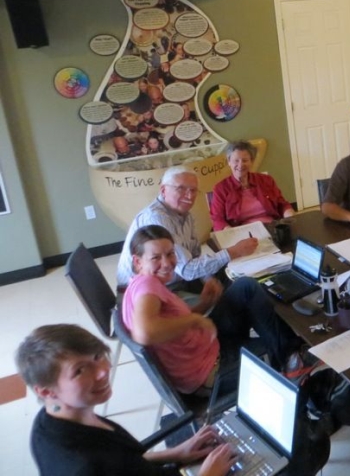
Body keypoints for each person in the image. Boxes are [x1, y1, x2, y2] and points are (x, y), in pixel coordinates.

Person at [15, 324, 236, 476]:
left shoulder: (51, 420)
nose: (103, 371)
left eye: (97, 356)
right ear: (47, 392)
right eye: (80, 370)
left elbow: (122, 462)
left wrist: (176, 453)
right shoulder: (81, 467)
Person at [122, 225, 307, 394]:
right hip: (212, 369)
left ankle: (291, 353)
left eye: (170, 254)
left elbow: (170, 323)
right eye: (155, 257)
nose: (166, 263)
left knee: (246, 286)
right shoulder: (147, 285)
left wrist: (204, 304)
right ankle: (294, 364)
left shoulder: (140, 284)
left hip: (205, 346)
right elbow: (144, 333)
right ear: (137, 262)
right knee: (276, 345)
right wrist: (194, 320)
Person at [116, 167, 258, 298]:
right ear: (163, 190)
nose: (189, 196)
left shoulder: (185, 214)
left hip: (177, 280)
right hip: (149, 293)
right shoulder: (157, 218)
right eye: (181, 189)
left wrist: (208, 279)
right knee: (244, 289)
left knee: (241, 279)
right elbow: (187, 271)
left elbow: (195, 256)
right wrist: (234, 252)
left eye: (193, 190)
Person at [209, 140, 294, 231]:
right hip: (242, 231)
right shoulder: (221, 188)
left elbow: (282, 204)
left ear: (251, 161)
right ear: (229, 161)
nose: (240, 165)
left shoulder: (266, 180)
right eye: (236, 161)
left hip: (271, 227)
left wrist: (290, 216)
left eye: (245, 160)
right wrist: (232, 233)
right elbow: (217, 219)